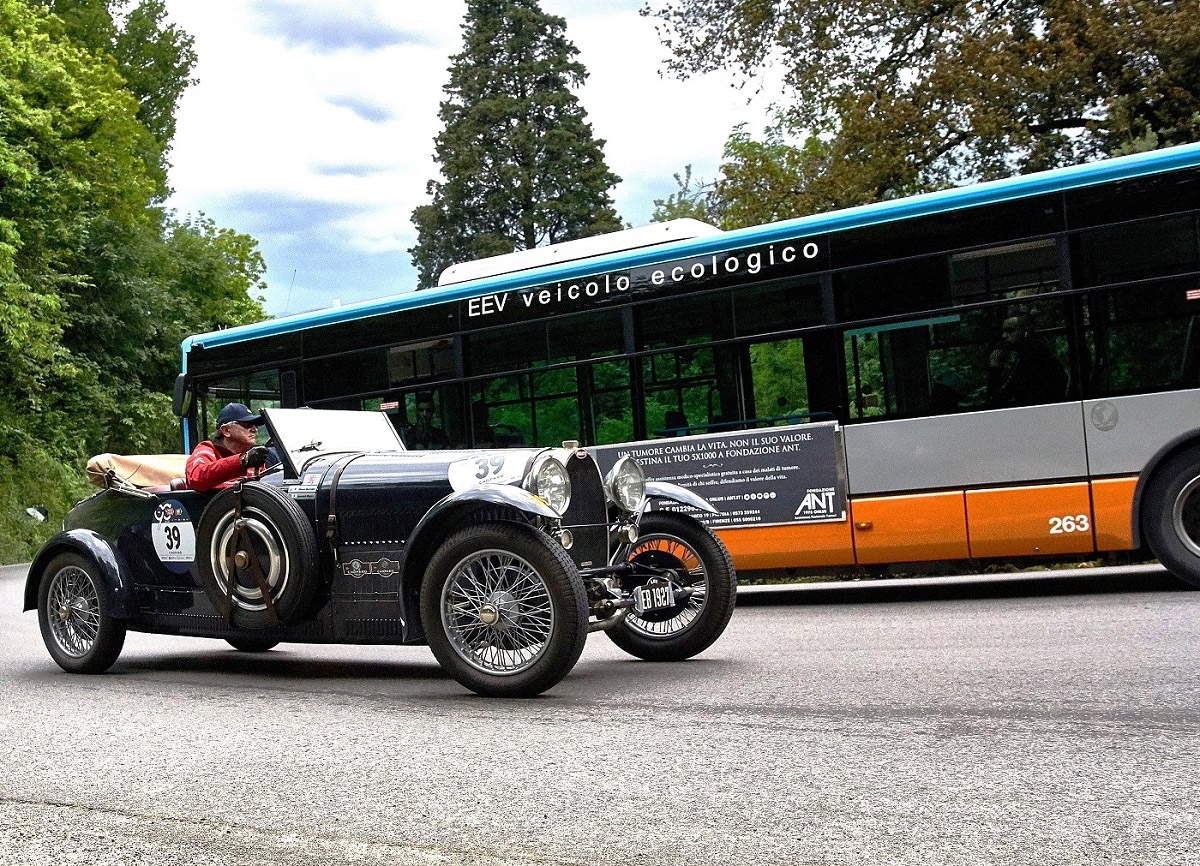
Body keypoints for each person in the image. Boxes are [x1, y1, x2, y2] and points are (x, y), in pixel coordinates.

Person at [185, 402, 271, 492]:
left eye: (255, 425)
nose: (254, 429)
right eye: (247, 424)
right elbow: (196, 478)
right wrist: (242, 461)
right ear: (226, 430)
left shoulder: (254, 457)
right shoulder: (207, 449)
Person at [987, 314, 1068, 408]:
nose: (1004, 336)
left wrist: (995, 367)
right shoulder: (1031, 352)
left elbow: (998, 397)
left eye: (1010, 331)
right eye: (1004, 331)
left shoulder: (1032, 357)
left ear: (1024, 330)